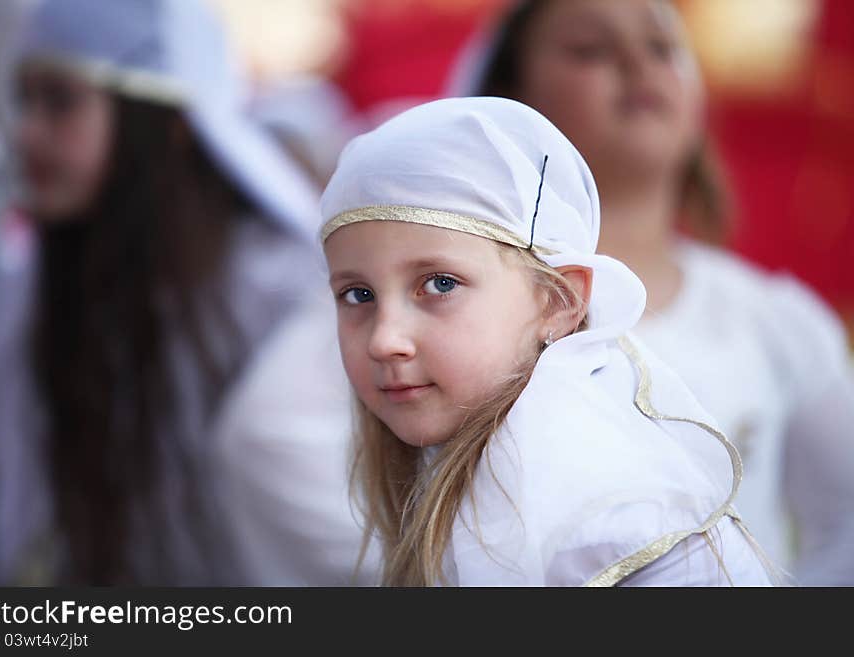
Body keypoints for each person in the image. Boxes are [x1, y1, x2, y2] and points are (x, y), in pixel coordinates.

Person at [450, 0, 854, 584]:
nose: (638, 64)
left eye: (663, 48)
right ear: (511, 102)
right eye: (589, 49)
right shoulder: (458, 311)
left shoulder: (771, 319)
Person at [0, 0, 372, 585]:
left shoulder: (279, 293)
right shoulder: (23, 293)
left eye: (60, 101)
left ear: (172, 123)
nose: (29, 131)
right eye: (25, 100)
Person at [320, 95, 774, 586]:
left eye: (440, 284)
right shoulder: (458, 474)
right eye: (358, 294)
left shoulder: (616, 519)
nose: (385, 340)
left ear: (558, 303)